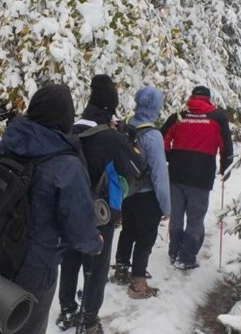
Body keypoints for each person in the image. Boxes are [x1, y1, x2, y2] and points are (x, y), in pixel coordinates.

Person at [0, 84, 104, 334]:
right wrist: (95, 243)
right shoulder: (66, 165)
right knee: (26, 325)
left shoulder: (8, 144)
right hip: (36, 265)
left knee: (1, 320)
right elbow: (79, 228)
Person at [57, 75, 143, 334]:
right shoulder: (111, 137)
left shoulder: (69, 130)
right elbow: (138, 168)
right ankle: (89, 320)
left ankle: (67, 311)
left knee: (70, 259)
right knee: (96, 264)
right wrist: (127, 139)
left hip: (68, 208)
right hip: (100, 212)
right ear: (111, 107)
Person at [161, 85, 233, 270]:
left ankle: (174, 251)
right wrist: (226, 167)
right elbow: (226, 145)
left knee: (176, 215)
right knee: (195, 218)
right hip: (201, 175)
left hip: (176, 173)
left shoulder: (179, 116)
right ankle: (186, 257)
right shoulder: (217, 117)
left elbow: (162, 139)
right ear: (208, 99)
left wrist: (171, 156)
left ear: (192, 98)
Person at [112, 86, 171, 298]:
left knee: (128, 231)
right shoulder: (153, 135)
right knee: (145, 239)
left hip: (127, 191)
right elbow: (159, 175)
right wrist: (166, 206)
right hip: (147, 195)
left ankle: (120, 269)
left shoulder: (125, 125)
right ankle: (138, 284)